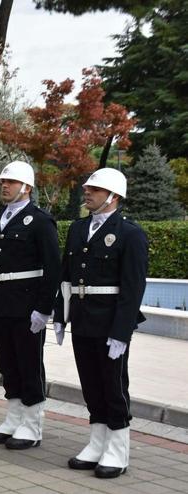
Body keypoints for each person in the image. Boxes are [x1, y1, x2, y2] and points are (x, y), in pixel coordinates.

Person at [55, 168, 148, 478]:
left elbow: (132, 288)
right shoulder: (79, 229)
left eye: (94, 189)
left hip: (110, 322)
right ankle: (97, 442)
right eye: (87, 188)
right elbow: (65, 278)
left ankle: (118, 449)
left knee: (113, 385)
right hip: (82, 317)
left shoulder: (130, 233)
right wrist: (60, 315)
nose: (87, 192)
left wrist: (122, 332)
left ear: (113, 196)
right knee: (91, 384)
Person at [0, 161, 61, 449]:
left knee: (29, 364)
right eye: (3, 182)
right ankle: (13, 417)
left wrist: (43, 308)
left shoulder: (40, 220)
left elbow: (53, 268)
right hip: (1, 301)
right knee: (8, 363)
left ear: (26, 187)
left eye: (11, 182)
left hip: (26, 304)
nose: (5, 186)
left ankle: (32, 423)